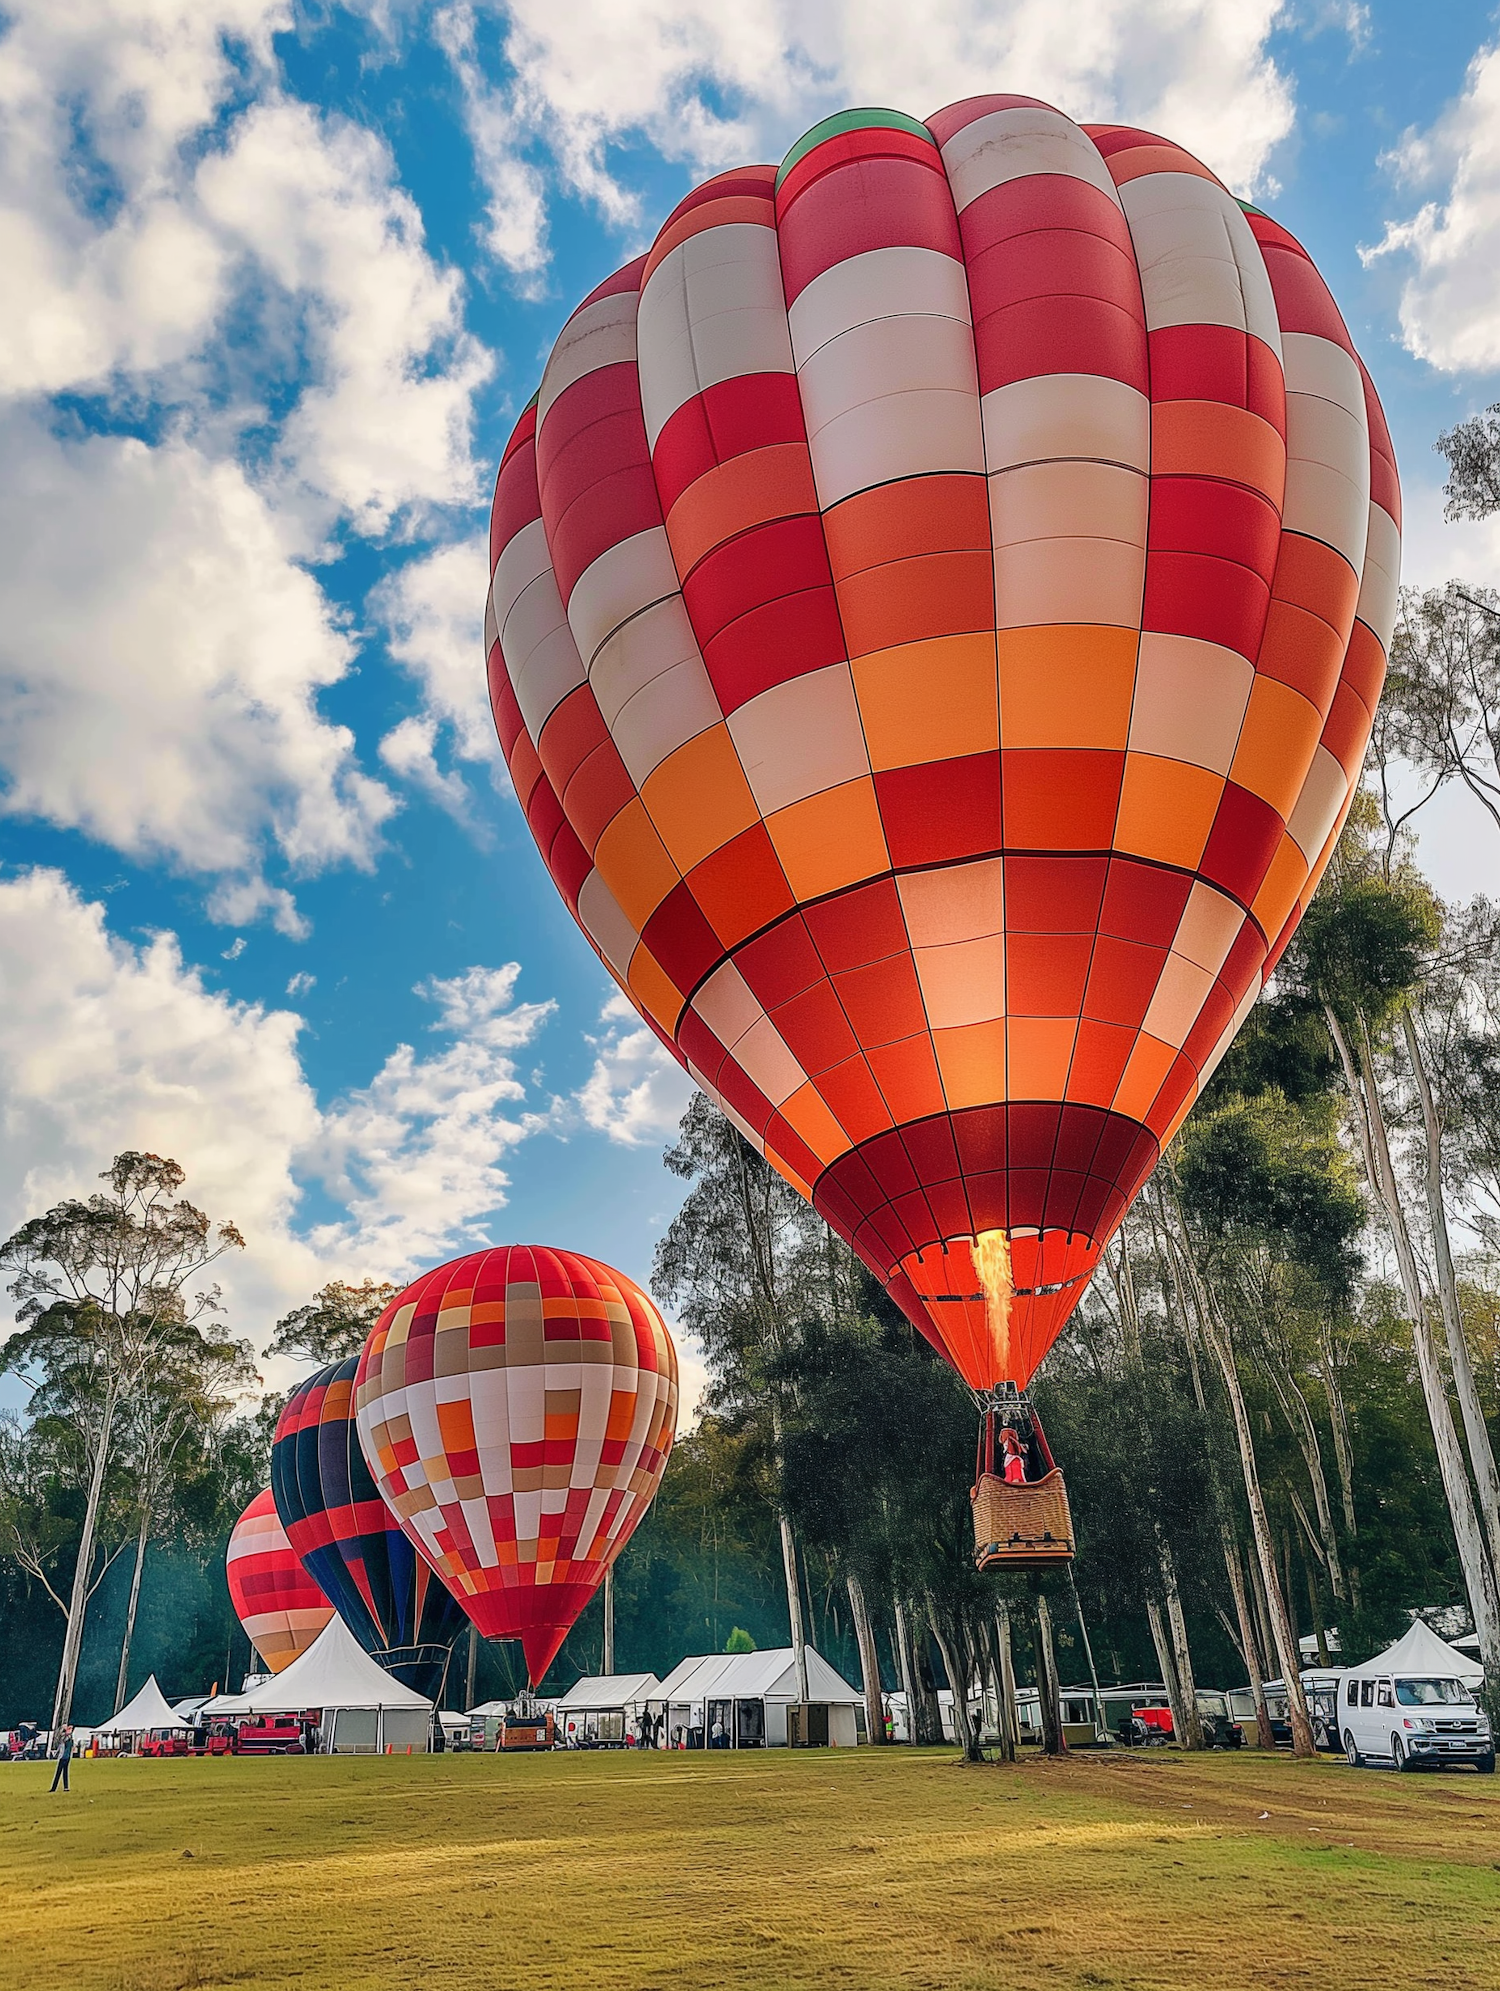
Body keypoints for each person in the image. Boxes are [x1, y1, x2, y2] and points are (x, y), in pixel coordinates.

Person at [49, 1725, 74, 1794]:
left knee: (59, 1773)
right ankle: (65, 1787)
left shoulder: (66, 1738)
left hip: (63, 1757)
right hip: (67, 1757)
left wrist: (64, 1729)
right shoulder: (69, 1738)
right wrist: (65, 1730)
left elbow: (60, 1738)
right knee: (64, 1772)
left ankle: (54, 1788)